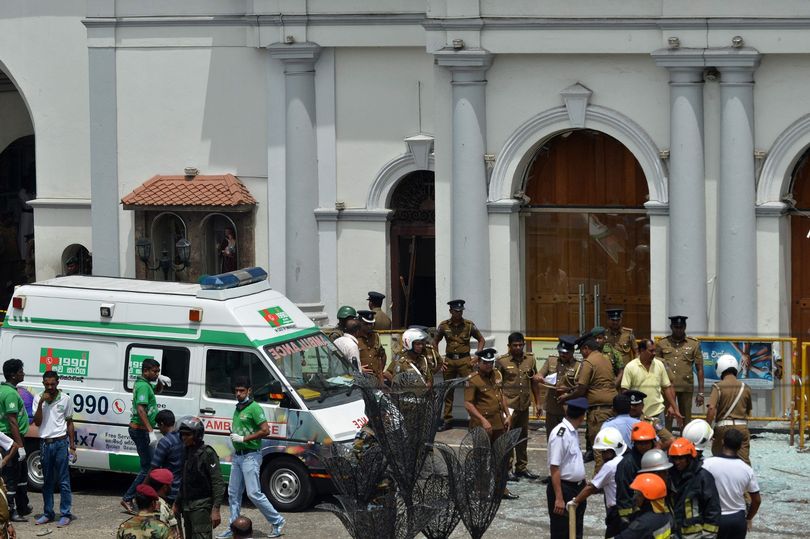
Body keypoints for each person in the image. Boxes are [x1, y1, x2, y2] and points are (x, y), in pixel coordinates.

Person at [220, 377, 285, 539]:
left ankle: (277, 520)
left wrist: (243, 439)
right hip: (238, 456)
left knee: (254, 493)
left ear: (249, 391)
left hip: (251, 456)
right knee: (233, 493)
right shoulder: (239, 408)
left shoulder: (254, 408)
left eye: (242, 390)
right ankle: (233, 526)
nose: (239, 393)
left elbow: (265, 430)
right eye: (236, 391)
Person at [464, 348, 517, 500]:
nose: (489, 366)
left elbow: (501, 396)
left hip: (499, 424)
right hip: (482, 426)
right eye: (485, 363)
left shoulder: (497, 375)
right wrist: (482, 420)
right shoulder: (473, 379)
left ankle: (501, 489)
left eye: (491, 362)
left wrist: (508, 415)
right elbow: (468, 404)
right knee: (481, 458)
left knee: (501, 457)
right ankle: (482, 491)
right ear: (479, 363)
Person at [559, 336, 618, 472]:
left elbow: (581, 389)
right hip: (612, 407)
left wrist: (566, 397)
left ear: (586, 348)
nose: (582, 354)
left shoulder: (589, 362)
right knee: (610, 445)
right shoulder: (606, 359)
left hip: (598, 411)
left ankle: (599, 480)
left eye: (582, 350)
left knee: (599, 446)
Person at [122, 358, 170, 514]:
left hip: (143, 430)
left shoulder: (145, 384)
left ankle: (140, 497)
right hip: (140, 430)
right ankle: (128, 498)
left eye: (158, 371)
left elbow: (156, 392)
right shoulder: (143, 385)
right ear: (146, 371)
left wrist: (160, 381)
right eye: (155, 371)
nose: (157, 374)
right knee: (147, 467)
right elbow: (141, 409)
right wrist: (150, 431)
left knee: (150, 466)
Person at [433, 299, 485, 431]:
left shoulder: (468, 325)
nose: (459, 313)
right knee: (448, 390)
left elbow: (481, 340)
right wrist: (439, 359)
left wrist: (477, 356)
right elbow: (435, 342)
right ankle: (448, 420)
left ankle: (474, 420)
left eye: (461, 311)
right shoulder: (444, 326)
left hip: (465, 361)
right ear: (451, 311)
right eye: (456, 311)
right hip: (449, 362)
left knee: (470, 389)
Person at [496, 332, 542, 480]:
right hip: (509, 406)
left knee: (522, 438)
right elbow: (497, 387)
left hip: (524, 405)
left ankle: (521, 467)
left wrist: (538, 403)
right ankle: (507, 468)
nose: (518, 348)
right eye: (515, 345)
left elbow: (534, 381)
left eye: (520, 345)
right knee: (508, 438)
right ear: (509, 346)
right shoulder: (501, 362)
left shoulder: (530, 359)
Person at [32, 371, 75, 527]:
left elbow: (70, 422)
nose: (50, 387)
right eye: (47, 384)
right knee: (48, 481)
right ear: (43, 383)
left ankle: (65, 513)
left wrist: (72, 446)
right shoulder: (38, 398)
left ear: (58, 383)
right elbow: (37, 423)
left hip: (61, 443)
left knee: (64, 480)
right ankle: (48, 513)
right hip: (45, 443)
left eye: (53, 384)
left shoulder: (66, 399)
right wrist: (41, 404)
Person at [568, 426, 628, 538]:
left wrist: (576, 501)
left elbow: (591, 487)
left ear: (613, 450)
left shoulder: (610, 466)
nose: (602, 455)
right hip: (629, 509)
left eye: (605, 452)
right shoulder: (627, 460)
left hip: (616, 512)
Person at [701, 429, 761, 539]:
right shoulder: (747, 469)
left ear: (723, 442)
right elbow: (757, 500)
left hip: (713, 517)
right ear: (740, 446)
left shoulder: (707, 464)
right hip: (737, 519)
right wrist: (748, 518)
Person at [622, 339, 682, 445]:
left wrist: (675, 408)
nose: (654, 353)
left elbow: (667, 387)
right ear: (641, 351)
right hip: (638, 416)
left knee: (663, 443)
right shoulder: (630, 367)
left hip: (657, 414)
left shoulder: (659, 365)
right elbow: (625, 391)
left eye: (655, 351)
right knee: (640, 445)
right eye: (651, 351)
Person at [175, 416, 224, 539]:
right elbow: (184, 479)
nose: (184, 437)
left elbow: (217, 482)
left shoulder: (207, 453)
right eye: (182, 434)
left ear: (197, 435)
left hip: (201, 507)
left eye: (187, 434)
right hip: (186, 505)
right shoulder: (186, 451)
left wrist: (216, 509)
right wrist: (177, 502)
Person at [547, 397, 589, 539]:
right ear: (582, 416)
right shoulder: (561, 434)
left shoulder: (572, 431)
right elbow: (554, 467)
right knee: (562, 532)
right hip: (564, 489)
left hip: (577, 488)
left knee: (576, 532)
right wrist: (559, 498)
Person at [656, 316, 704, 432]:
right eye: (676, 327)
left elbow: (700, 369)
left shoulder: (694, 344)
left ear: (685, 327)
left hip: (685, 386)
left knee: (686, 418)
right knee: (667, 417)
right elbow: (656, 366)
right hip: (667, 387)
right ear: (671, 327)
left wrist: (701, 392)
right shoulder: (662, 343)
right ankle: (666, 442)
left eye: (681, 327)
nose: (678, 330)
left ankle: (686, 442)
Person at [667, 438, 721, 539]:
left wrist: (708, 535)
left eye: (681, 458)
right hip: (674, 533)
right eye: (674, 458)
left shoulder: (703, 477)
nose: (677, 462)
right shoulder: (670, 476)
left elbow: (712, 509)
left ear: (689, 457)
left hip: (695, 535)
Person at [705, 354, 752, 465]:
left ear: (720, 368)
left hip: (723, 428)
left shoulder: (718, 386)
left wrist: (707, 428)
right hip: (742, 427)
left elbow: (711, 408)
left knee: (719, 459)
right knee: (744, 461)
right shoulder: (746, 387)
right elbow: (748, 411)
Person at [0, 359, 30, 522]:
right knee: (11, 476)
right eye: (20, 371)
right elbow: (12, 421)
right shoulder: (10, 393)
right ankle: (11, 511)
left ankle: (22, 506)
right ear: (13, 375)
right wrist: (19, 446)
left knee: (21, 474)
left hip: (10, 438)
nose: (23, 373)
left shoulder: (4, 389)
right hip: (10, 439)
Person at [615, 422, 657, 529]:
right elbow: (623, 495)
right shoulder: (627, 464)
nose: (643, 446)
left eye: (646, 443)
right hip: (636, 515)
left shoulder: (657, 459)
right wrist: (627, 520)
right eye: (639, 443)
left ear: (653, 442)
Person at [539, 335, 580, 439]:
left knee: (567, 440)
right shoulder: (552, 361)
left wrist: (567, 392)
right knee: (552, 439)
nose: (562, 355)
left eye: (565, 353)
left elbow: (580, 388)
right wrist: (540, 378)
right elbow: (539, 375)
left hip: (567, 410)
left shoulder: (578, 366)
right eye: (560, 352)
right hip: (552, 408)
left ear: (572, 352)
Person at [615, 473, 674, 539]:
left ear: (648, 499)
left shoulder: (642, 524)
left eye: (639, 494)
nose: (635, 497)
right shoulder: (666, 514)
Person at [150, 410, 184, 506]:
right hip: (181, 490)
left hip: (168, 490)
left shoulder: (165, 442)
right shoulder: (182, 437)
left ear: (162, 424)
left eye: (159, 426)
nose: (159, 430)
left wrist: (144, 486)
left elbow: (154, 468)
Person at [145, 468, 182, 539]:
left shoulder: (148, 501)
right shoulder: (159, 507)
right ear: (165, 487)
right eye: (170, 485)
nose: (171, 487)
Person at [356, 310, 387, 383]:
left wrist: (380, 373)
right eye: (366, 324)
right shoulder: (355, 338)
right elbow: (347, 360)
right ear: (360, 323)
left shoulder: (376, 336)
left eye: (371, 324)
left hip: (375, 379)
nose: (369, 326)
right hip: (362, 379)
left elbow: (382, 356)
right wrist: (359, 369)